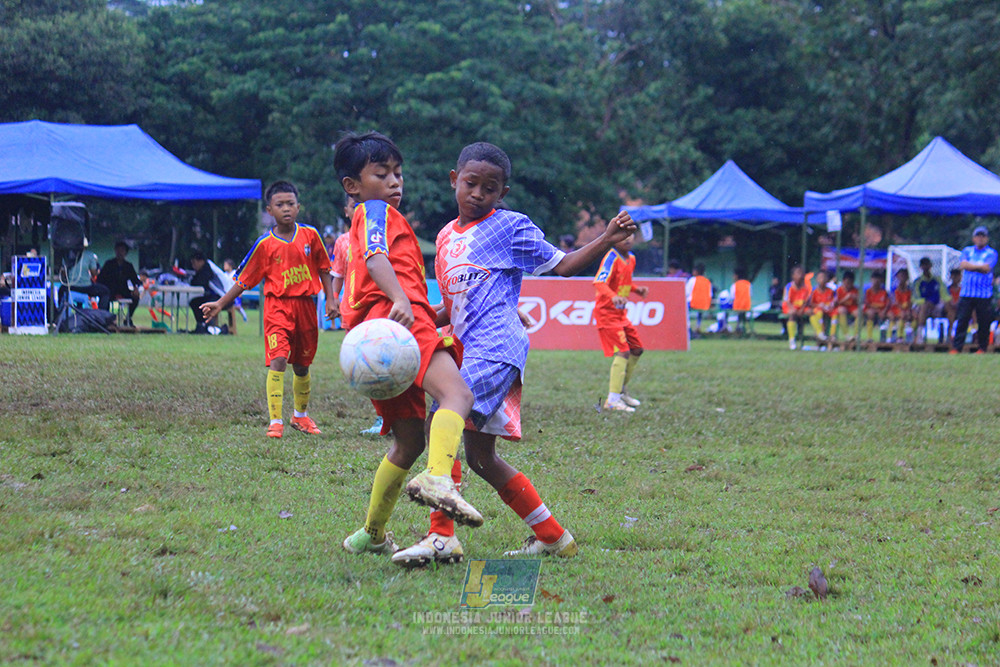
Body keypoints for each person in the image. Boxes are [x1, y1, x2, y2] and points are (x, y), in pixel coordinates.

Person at [392, 142, 637, 567]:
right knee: (481, 458)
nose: (478, 193)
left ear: (503, 192)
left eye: (491, 187)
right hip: (471, 348)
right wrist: (422, 319)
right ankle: (553, 537)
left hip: (497, 347)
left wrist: (605, 239)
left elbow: (562, 265)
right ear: (455, 180)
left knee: (439, 421)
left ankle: (440, 536)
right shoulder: (447, 236)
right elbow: (457, 301)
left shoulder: (509, 226)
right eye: (471, 183)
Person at [333, 131, 479, 557]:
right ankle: (438, 478)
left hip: (380, 334)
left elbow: (389, 272)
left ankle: (372, 534)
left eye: (399, 173)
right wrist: (400, 299)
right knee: (457, 395)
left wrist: (430, 309)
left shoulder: (371, 216)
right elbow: (378, 260)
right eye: (382, 174)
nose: (395, 181)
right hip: (398, 327)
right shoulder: (374, 211)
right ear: (353, 186)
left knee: (409, 440)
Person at [200, 181, 336, 438]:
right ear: (270, 210)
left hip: (306, 306)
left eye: (291, 204)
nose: (286, 209)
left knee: (302, 365)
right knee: (279, 359)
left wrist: (331, 299)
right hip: (278, 307)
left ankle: (301, 416)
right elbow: (242, 281)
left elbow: (324, 268)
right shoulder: (264, 245)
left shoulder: (311, 236)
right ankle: (275, 420)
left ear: (298, 207)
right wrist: (220, 303)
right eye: (280, 205)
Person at [594, 233, 648, 412]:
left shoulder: (631, 258)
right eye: (623, 235)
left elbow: (624, 282)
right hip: (607, 314)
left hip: (621, 315)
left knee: (637, 349)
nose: (628, 239)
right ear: (614, 237)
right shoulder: (611, 257)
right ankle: (612, 399)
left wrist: (636, 290)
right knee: (623, 352)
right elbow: (600, 282)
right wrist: (613, 297)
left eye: (631, 235)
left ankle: (621, 391)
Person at [951, 226, 998, 354]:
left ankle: (982, 348)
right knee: (962, 320)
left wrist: (971, 266)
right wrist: (979, 267)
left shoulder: (992, 253)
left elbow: (987, 268)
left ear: (987, 238)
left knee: (983, 322)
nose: (980, 238)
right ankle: (957, 347)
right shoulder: (967, 251)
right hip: (967, 293)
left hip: (984, 294)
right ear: (973, 238)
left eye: (983, 236)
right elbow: (963, 265)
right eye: (978, 236)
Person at [97, 240, 141, 325]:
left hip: (123, 290)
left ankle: (128, 318)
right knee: (105, 298)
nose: (120, 253)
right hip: (110, 290)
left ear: (126, 253)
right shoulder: (109, 264)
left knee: (135, 298)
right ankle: (106, 319)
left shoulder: (128, 266)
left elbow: (135, 280)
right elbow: (100, 279)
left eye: (122, 251)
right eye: (118, 250)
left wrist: (135, 288)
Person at [189, 252, 227, 334]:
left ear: (201, 261)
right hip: (215, 296)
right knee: (195, 302)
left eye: (194, 263)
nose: (193, 266)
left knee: (204, 303)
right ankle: (201, 325)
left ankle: (208, 327)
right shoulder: (203, 269)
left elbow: (200, 282)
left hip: (224, 297)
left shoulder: (207, 269)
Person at [912, 257, 946, 343]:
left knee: (947, 309)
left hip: (937, 304)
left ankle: (947, 337)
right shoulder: (918, 282)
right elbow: (914, 298)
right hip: (922, 305)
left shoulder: (937, 280)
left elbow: (944, 294)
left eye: (927, 264)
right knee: (923, 308)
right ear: (921, 267)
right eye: (923, 265)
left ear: (930, 266)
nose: (925, 267)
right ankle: (919, 335)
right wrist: (926, 302)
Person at [783, 266, 811, 350]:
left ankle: (820, 335)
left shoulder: (806, 287)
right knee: (792, 314)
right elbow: (787, 301)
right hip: (790, 307)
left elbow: (806, 300)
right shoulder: (789, 286)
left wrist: (802, 309)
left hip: (801, 307)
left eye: (802, 273)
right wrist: (793, 309)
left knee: (812, 312)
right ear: (793, 276)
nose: (801, 275)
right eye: (798, 273)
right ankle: (792, 339)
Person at [807, 269, 836, 345]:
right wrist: (819, 305)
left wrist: (830, 305)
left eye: (824, 277)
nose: (822, 280)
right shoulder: (814, 291)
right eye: (820, 277)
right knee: (818, 312)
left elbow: (833, 302)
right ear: (816, 279)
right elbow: (811, 303)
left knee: (835, 313)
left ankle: (833, 335)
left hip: (828, 310)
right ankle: (820, 333)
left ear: (827, 279)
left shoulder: (831, 291)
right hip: (819, 310)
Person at [862, 271, 890, 343]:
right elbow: (866, 303)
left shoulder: (884, 292)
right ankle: (869, 337)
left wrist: (883, 311)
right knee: (871, 313)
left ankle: (889, 338)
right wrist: (877, 311)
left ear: (881, 281)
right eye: (875, 279)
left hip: (882, 311)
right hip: (871, 310)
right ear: (871, 280)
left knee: (891, 315)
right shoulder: (868, 291)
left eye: (878, 279)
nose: (876, 281)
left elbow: (888, 303)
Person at [887, 268, 913, 343]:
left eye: (904, 276)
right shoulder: (894, 289)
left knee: (913, 316)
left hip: (906, 309)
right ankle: (897, 336)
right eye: (900, 276)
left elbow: (911, 302)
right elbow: (894, 302)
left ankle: (912, 337)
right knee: (902, 315)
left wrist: (909, 310)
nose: (902, 278)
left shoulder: (910, 290)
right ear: (897, 277)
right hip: (895, 309)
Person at [686, 264, 711, 336]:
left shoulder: (692, 280)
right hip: (705, 304)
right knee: (700, 312)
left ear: (696, 271)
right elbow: (710, 294)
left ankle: (688, 327)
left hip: (693, 303)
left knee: (684, 307)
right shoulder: (707, 281)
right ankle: (698, 326)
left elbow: (686, 292)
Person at [835, 270, 859, 344]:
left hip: (852, 307)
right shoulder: (839, 290)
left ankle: (856, 335)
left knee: (859, 313)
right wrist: (846, 298)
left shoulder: (855, 290)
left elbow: (859, 303)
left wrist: (856, 299)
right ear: (843, 281)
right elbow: (836, 303)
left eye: (851, 283)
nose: (849, 285)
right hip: (842, 307)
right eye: (847, 282)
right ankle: (847, 335)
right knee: (842, 310)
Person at [730, 268, 752, 335]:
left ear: (737, 276)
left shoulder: (734, 285)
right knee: (743, 317)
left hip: (738, 305)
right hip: (746, 305)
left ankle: (738, 328)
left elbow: (732, 296)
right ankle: (744, 328)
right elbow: (750, 294)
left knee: (739, 317)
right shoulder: (748, 284)